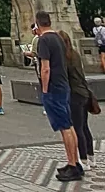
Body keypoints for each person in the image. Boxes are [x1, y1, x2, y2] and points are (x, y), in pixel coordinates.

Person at [35, 10, 82, 182]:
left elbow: (45, 68)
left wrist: (45, 89)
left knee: (65, 127)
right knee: (68, 126)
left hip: (53, 88)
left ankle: (72, 165)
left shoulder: (44, 40)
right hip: (63, 85)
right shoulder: (58, 38)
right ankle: (74, 163)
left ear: (37, 24)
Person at [59, 30, 96, 171]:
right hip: (84, 92)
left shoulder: (64, 58)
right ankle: (91, 157)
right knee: (85, 127)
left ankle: (83, 160)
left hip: (74, 95)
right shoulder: (75, 54)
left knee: (77, 128)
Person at [23, 24, 45, 115]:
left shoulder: (36, 39)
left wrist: (26, 53)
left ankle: (47, 106)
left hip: (41, 64)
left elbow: (34, 53)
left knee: (43, 85)